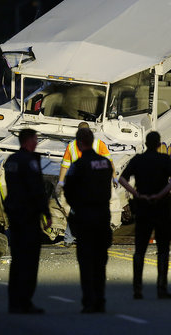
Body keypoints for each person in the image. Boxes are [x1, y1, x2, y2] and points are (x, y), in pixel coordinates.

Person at [119, 131, 171, 299]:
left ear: (145, 143)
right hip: (161, 207)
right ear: (159, 144)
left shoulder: (138, 160)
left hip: (143, 206)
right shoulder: (164, 159)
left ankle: (137, 289)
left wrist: (136, 194)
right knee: (163, 249)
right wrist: (162, 193)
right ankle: (162, 288)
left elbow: (122, 179)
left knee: (140, 249)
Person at [63, 127, 114, 313]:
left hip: (84, 218)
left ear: (78, 144)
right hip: (102, 216)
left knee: (86, 262)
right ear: (92, 142)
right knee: (100, 262)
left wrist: (78, 206)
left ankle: (88, 301)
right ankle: (100, 300)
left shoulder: (78, 165)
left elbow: (68, 192)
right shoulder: (105, 163)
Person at [3, 128, 51, 314]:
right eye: (36, 139)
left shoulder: (11, 160)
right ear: (28, 140)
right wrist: (46, 212)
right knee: (30, 261)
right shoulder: (30, 161)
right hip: (28, 216)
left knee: (17, 261)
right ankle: (25, 301)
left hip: (14, 215)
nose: (37, 142)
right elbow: (36, 188)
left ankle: (13, 302)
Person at [57, 121, 115, 246]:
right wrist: (114, 178)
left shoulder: (72, 145)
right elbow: (109, 162)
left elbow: (64, 166)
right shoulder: (99, 144)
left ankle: (68, 239)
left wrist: (60, 183)